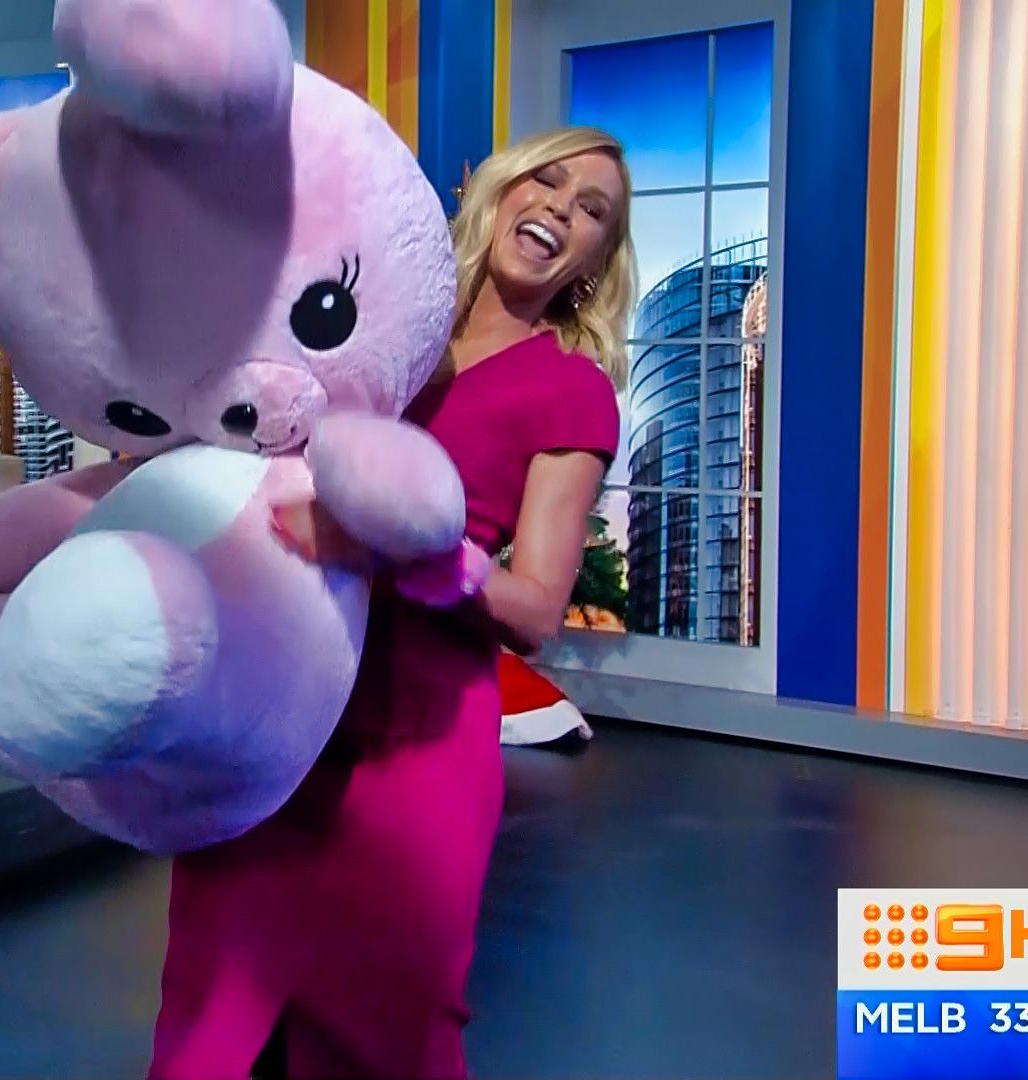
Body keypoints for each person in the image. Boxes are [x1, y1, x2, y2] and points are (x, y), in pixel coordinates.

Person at [149, 125, 633, 1079]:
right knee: (212, 1013)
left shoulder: (571, 390)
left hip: (416, 742)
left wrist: (397, 549)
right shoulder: (376, 315)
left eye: (592, 211)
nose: (560, 209)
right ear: (500, 188)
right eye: (548, 179)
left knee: (392, 1027)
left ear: (594, 263)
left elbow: (538, 610)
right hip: (271, 720)